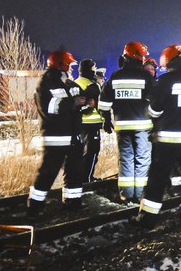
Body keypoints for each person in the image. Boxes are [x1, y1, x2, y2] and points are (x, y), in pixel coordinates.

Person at [133, 44, 181, 228]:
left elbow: (154, 109)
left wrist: (153, 114)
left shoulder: (166, 80)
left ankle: (147, 218)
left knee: (157, 178)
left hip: (168, 139)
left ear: (168, 63)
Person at [27, 50, 87, 216]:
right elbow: (48, 108)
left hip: (73, 135)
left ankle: (73, 202)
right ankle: (35, 206)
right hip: (56, 136)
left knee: (75, 170)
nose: (72, 69)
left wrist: (86, 102)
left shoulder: (69, 83)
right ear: (62, 64)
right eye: (70, 65)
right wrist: (72, 103)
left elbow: (77, 103)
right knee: (48, 171)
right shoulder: (46, 83)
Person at [98, 42, 155, 204]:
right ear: (138, 57)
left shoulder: (115, 76)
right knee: (143, 159)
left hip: (122, 126)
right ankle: (140, 194)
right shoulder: (146, 77)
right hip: (143, 126)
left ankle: (126, 194)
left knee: (126, 159)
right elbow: (155, 100)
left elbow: (104, 101)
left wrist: (106, 119)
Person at [75, 59, 103, 182]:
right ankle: (87, 178)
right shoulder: (92, 85)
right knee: (92, 152)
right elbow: (98, 103)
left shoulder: (75, 82)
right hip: (92, 124)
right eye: (93, 68)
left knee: (81, 152)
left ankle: (80, 178)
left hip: (79, 123)